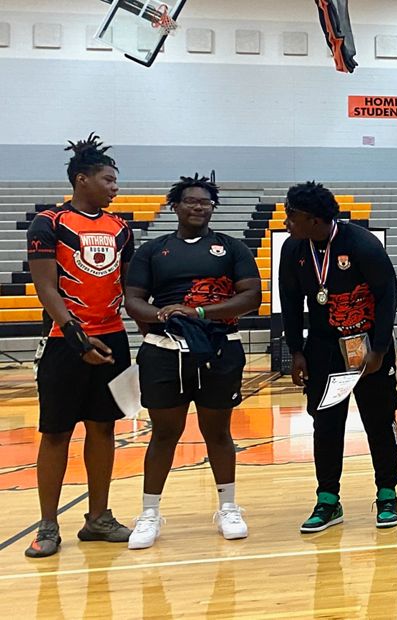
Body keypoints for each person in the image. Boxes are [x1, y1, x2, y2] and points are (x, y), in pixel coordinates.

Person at [122, 174, 261, 549]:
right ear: (175, 206)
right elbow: (133, 298)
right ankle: (149, 513)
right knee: (164, 433)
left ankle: (228, 507)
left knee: (218, 432)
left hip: (219, 350)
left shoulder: (232, 248)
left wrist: (198, 312)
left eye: (205, 202)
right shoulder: (153, 251)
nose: (199, 207)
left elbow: (251, 298)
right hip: (164, 351)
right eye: (191, 201)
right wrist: (161, 315)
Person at [25, 134, 135, 557]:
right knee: (55, 433)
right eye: (108, 179)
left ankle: (99, 518)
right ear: (81, 179)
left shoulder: (122, 228)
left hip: (112, 340)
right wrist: (76, 337)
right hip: (63, 342)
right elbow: (45, 289)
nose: (115, 187)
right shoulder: (48, 223)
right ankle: (48, 524)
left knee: (104, 427)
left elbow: (127, 286)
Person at [280, 181, 397, 533]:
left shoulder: (361, 243)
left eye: (293, 215)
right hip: (323, 351)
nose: (287, 221)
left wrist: (379, 349)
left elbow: (387, 295)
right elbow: (290, 301)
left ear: (315, 220)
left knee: (378, 420)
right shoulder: (294, 250)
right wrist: (296, 352)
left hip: (367, 347)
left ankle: (387, 492)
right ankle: (328, 499)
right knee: (326, 424)